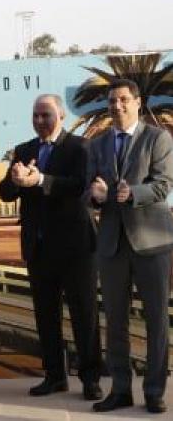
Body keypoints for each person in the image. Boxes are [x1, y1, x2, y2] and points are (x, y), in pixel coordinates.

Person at [0, 94, 102, 400]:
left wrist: (41, 180)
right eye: (36, 115)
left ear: (61, 117)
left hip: (76, 249)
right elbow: (5, 192)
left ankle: (91, 379)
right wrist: (17, 180)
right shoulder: (24, 150)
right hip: (39, 248)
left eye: (46, 115)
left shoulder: (80, 147)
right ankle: (54, 376)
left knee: (85, 316)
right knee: (46, 316)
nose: (40, 121)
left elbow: (80, 186)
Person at [88, 79, 172, 414]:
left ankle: (154, 391)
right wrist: (94, 197)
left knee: (156, 320)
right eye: (111, 101)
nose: (117, 106)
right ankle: (121, 389)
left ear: (137, 102)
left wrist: (133, 193)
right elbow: (87, 189)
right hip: (111, 245)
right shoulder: (96, 145)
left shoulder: (158, 138)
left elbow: (163, 185)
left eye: (123, 99)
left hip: (151, 243)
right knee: (116, 321)